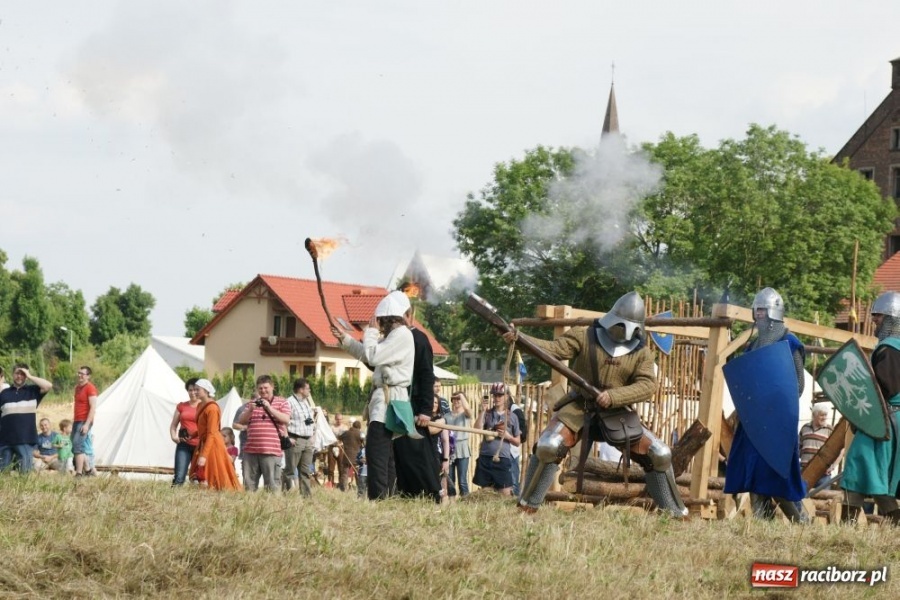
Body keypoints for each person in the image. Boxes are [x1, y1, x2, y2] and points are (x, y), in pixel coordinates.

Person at [506, 291, 688, 517]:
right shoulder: (584, 336)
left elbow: (647, 385)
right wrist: (520, 339)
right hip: (580, 405)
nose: (622, 330)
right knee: (549, 446)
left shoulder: (642, 353)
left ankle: (675, 514)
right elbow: (553, 350)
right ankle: (527, 506)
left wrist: (614, 397)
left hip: (616, 412)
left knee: (660, 453)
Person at [724, 287, 809, 522]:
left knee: (779, 478)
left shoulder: (789, 344)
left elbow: (797, 387)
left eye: (763, 310)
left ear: (774, 312)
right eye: (757, 310)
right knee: (754, 476)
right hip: (753, 424)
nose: (758, 315)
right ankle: (763, 527)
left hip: (777, 425)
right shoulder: (753, 346)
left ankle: (803, 524)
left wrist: (771, 403)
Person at [331, 290, 417, 500]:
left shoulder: (402, 335)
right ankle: (387, 497)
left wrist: (370, 332)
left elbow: (372, 354)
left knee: (377, 452)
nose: (380, 324)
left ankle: (379, 498)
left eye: (382, 321)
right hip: (385, 400)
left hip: (390, 400)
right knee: (385, 454)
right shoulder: (393, 337)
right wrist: (346, 339)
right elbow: (369, 356)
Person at [841, 291, 900, 524]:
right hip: (888, 422)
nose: (874, 320)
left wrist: (863, 416)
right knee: (875, 478)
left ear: (892, 320)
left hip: (883, 422)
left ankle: (846, 526)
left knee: (856, 465)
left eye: (879, 316)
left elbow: (883, 389)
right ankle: (894, 525)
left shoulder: (889, 349)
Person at [235, 375, 291, 492]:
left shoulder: (282, 402)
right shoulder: (252, 403)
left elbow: (286, 419)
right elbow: (241, 421)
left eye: (266, 388)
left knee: (272, 486)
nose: (263, 390)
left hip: (271, 451)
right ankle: (250, 508)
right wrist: (250, 410)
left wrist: (269, 408)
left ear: (272, 387)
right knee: (249, 486)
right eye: (260, 388)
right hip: (251, 451)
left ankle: (272, 508)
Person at [0, 364, 53, 473]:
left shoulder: (33, 391)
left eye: (22, 374)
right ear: (12, 374)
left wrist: (30, 376)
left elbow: (48, 385)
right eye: (17, 373)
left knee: (24, 473)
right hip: (5, 440)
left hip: (25, 439)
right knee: (3, 473)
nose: (19, 376)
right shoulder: (4, 393)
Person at [189, 379, 240, 491]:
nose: (195, 392)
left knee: (212, 472)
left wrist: (204, 455)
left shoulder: (212, 408)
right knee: (199, 473)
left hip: (212, 444)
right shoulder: (200, 405)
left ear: (206, 391)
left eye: (198, 389)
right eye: (194, 389)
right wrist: (193, 435)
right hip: (204, 441)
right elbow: (204, 428)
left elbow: (212, 432)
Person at [472, 383, 521, 495]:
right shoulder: (487, 414)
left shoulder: (512, 417)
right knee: (485, 493)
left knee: (505, 493)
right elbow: (477, 428)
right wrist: (483, 411)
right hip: (485, 457)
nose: (497, 398)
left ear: (506, 396)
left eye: (500, 395)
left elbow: (517, 442)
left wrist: (508, 436)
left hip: (502, 459)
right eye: (495, 395)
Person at [283, 378, 318, 497]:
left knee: (306, 471)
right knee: (290, 470)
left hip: (307, 440)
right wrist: (287, 438)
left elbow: (308, 421)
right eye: (308, 388)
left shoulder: (306, 403)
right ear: (301, 389)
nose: (309, 391)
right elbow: (284, 422)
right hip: (295, 439)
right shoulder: (289, 402)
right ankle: (285, 494)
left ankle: (306, 496)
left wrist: (312, 436)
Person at [168, 378, 201, 486]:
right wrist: (174, 437)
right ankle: (174, 499)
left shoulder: (206, 406)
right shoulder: (182, 406)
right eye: (190, 390)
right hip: (184, 444)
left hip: (200, 446)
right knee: (179, 477)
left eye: (195, 390)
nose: (193, 392)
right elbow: (173, 425)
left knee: (199, 478)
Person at [799, 403, 838, 489]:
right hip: (805, 471)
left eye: (825, 415)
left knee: (823, 499)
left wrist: (833, 466)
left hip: (822, 474)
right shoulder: (804, 428)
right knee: (802, 498)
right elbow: (798, 448)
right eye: (821, 415)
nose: (824, 417)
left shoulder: (830, 430)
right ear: (814, 415)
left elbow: (840, 451)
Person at [71, 366, 98, 477]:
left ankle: (79, 473)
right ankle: (88, 470)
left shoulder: (90, 388)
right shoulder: (77, 388)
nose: (80, 375)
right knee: (76, 445)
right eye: (79, 373)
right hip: (77, 419)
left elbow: (93, 407)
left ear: (88, 376)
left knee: (78, 445)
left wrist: (87, 424)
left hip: (85, 420)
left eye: (82, 373)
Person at [446, 391, 473, 497]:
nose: (457, 401)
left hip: (463, 448)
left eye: (459, 399)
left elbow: (468, 409)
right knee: (450, 479)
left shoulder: (465, 414)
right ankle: (451, 502)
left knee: (462, 479)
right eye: (455, 399)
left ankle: (466, 501)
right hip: (450, 448)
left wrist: (461, 396)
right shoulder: (447, 416)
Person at [338, 420, 364, 492]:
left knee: (345, 473)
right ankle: (360, 488)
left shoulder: (346, 433)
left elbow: (339, 438)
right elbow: (364, 442)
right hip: (357, 456)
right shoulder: (360, 433)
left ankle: (343, 488)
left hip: (346, 455)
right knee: (358, 473)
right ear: (359, 427)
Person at [326, 413, 349, 487]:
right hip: (332, 447)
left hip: (341, 447)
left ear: (342, 419)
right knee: (330, 467)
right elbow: (328, 437)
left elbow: (347, 438)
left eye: (340, 419)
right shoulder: (331, 427)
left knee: (341, 467)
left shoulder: (345, 428)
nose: (339, 421)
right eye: (337, 419)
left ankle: (341, 484)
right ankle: (330, 483)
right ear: (335, 419)